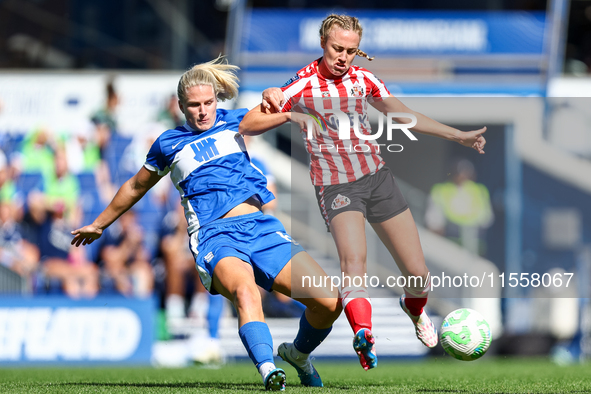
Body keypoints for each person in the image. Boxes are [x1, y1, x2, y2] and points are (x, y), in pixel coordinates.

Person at [71, 57, 341, 391]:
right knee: (245, 292)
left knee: (329, 301)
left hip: (260, 228)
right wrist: (99, 224)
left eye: (209, 103)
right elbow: (135, 186)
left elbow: (279, 107)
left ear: (217, 101)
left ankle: (298, 355)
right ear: (181, 106)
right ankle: (268, 368)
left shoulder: (236, 122)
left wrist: (288, 104)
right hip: (215, 237)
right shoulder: (168, 144)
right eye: (194, 105)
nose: (203, 111)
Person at [239, 13, 487, 371]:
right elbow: (248, 123)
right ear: (323, 44)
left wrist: (457, 135)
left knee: (418, 275)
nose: (343, 57)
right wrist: (287, 113)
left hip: (377, 179)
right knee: (354, 264)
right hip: (336, 186)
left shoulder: (364, 80)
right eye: (337, 48)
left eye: (351, 51)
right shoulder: (301, 86)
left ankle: (413, 308)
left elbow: (405, 116)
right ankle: (364, 334)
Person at [425, 158, 494, 256]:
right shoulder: (441, 190)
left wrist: (469, 227)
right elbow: (434, 219)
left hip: (474, 239)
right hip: (450, 237)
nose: (462, 176)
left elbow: (487, 217)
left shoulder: (479, 190)